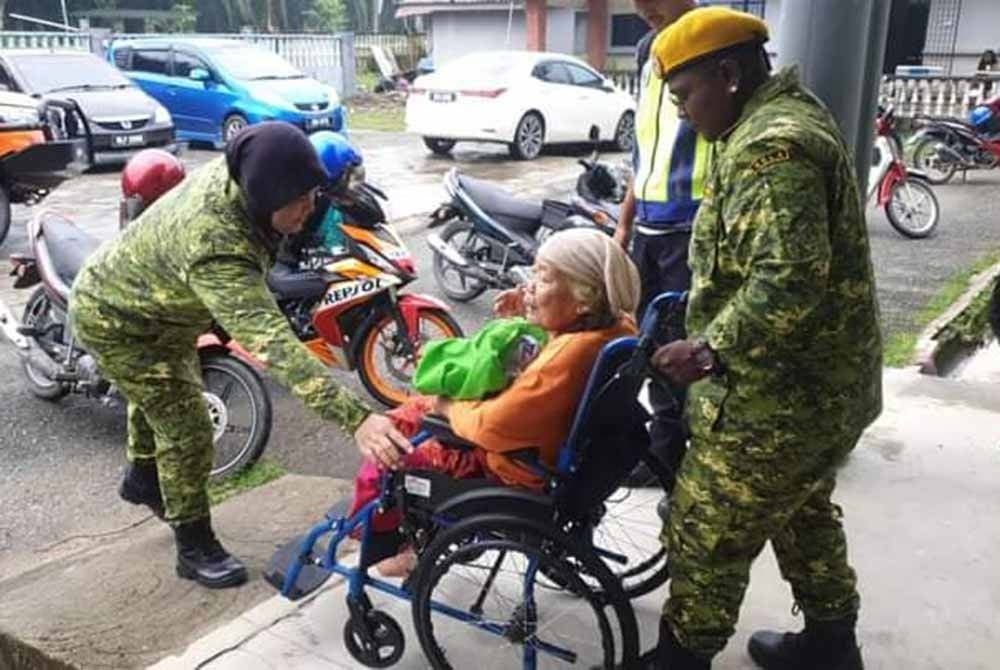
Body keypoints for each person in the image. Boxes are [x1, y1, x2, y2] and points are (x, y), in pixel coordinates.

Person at [642, 7, 883, 669]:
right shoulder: (781, 118)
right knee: (801, 515)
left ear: (728, 72)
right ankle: (831, 647)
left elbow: (789, 279)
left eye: (685, 94)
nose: (683, 110)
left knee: (706, 525)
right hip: (821, 389)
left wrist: (709, 346)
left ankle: (678, 660)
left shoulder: (769, 148)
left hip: (785, 398)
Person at [70, 122, 372, 589]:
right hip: (120, 319)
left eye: (312, 194)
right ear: (263, 198)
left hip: (160, 301)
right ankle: (194, 545)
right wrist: (357, 418)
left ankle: (143, 479)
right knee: (187, 424)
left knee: (160, 397)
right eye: (297, 201)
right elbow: (274, 344)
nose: (309, 208)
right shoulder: (218, 245)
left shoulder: (246, 168)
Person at [349, 228, 641, 576]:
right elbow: (554, 349)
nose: (530, 285)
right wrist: (528, 312)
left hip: (507, 466)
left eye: (542, 279)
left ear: (584, 299)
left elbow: (490, 427)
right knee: (411, 412)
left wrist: (446, 407)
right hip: (549, 449)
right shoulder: (615, 328)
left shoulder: (566, 359)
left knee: (387, 452)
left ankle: (387, 545)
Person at [616, 0, 707, 486]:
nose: (643, 7)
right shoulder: (648, 51)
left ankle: (668, 455)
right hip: (648, 229)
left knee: (678, 347)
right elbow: (643, 153)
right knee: (645, 340)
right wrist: (624, 224)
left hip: (689, 229)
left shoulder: (708, 41)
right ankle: (657, 444)